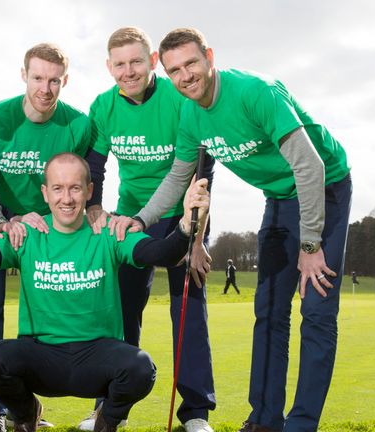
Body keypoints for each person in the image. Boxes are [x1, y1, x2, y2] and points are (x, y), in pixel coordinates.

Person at [143, 28, 352, 432]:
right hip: (279, 198)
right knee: (269, 309)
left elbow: (310, 167)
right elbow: (178, 177)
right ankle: (264, 419)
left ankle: (301, 424)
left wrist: (310, 244)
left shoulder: (256, 92)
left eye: (191, 63)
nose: (185, 76)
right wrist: (141, 220)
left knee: (316, 310)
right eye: (174, 71)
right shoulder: (189, 114)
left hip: (324, 189)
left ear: (209, 56)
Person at [0, 148, 210, 432]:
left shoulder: (109, 230)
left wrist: (186, 224)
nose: (66, 198)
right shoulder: (26, 233)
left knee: (140, 368)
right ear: (45, 192)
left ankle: (107, 420)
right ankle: (26, 413)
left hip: (97, 359)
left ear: (89, 191)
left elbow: (161, 253)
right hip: (40, 356)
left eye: (75, 188)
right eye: (58, 188)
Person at [83, 27, 216, 432]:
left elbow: (203, 171)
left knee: (187, 309)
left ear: (153, 60)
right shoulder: (103, 107)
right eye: (119, 64)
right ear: (109, 67)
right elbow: (94, 167)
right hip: (131, 221)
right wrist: (94, 209)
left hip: (183, 220)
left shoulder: (180, 98)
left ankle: (195, 414)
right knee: (119, 315)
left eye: (136, 61)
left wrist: (195, 238)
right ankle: (109, 410)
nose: (129, 71)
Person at [0, 42, 92, 432]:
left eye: (54, 80)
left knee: (43, 316)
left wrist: (43, 218)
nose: (45, 88)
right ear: (24, 75)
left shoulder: (78, 124)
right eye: (38, 77)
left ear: (65, 81)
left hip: (44, 228)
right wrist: (4, 218)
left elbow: (75, 184)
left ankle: (26, 408)